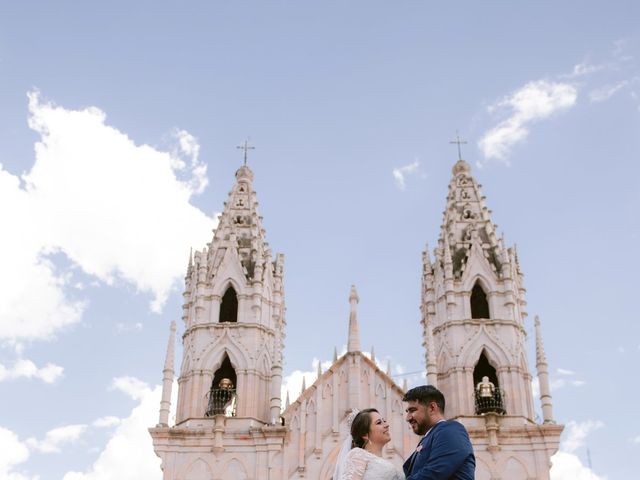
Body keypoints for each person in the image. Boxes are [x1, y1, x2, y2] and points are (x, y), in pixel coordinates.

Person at [402, 386, 475, 480]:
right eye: (407, 412)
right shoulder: (429, 437)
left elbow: (433, 474)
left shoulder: (450, 430)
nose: (407, 418)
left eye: (412, 410)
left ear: (432, 408)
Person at [334, 408, 405, 480]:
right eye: (379, 423)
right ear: (365, 434)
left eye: (384, 421)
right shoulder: (358, 455)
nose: (386, 425)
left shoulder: (379, 460)